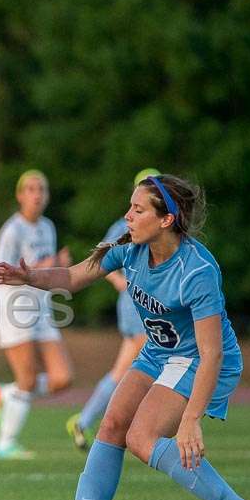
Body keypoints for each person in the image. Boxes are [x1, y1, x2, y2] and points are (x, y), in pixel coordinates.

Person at [0, 174, 250, 500]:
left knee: (141, 437)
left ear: (166, 220)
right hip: (159, 353)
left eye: (138, 209)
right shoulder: (128, 247)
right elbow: (71, 276)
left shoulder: (197, 270)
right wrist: (29, 277)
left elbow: (211, 351)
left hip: (201, 361)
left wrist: (190, 418)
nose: (127, 216)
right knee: (112, 425)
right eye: (129, 206)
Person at [66, 168, 157, 450]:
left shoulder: (162, 227)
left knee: (122, 371)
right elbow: (99, 260)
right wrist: (120, 281)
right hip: (135, 306)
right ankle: (144, 428)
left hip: (144, 306)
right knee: (154, 364)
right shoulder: (125, 226)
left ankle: (83, 421)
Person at [0, 170, 73, 459]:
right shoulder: (13, 231)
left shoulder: (48, 227)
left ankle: (7, 394)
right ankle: (5, 443)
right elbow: (0, 274)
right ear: (20, 195)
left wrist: (57, 269)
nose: (36, 194)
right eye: (31, 189)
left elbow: (47, 272)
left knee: (62, 378)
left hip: (43, 311)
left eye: (41, 189)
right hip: (15, 311)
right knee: (28, 379)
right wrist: (51, 263)